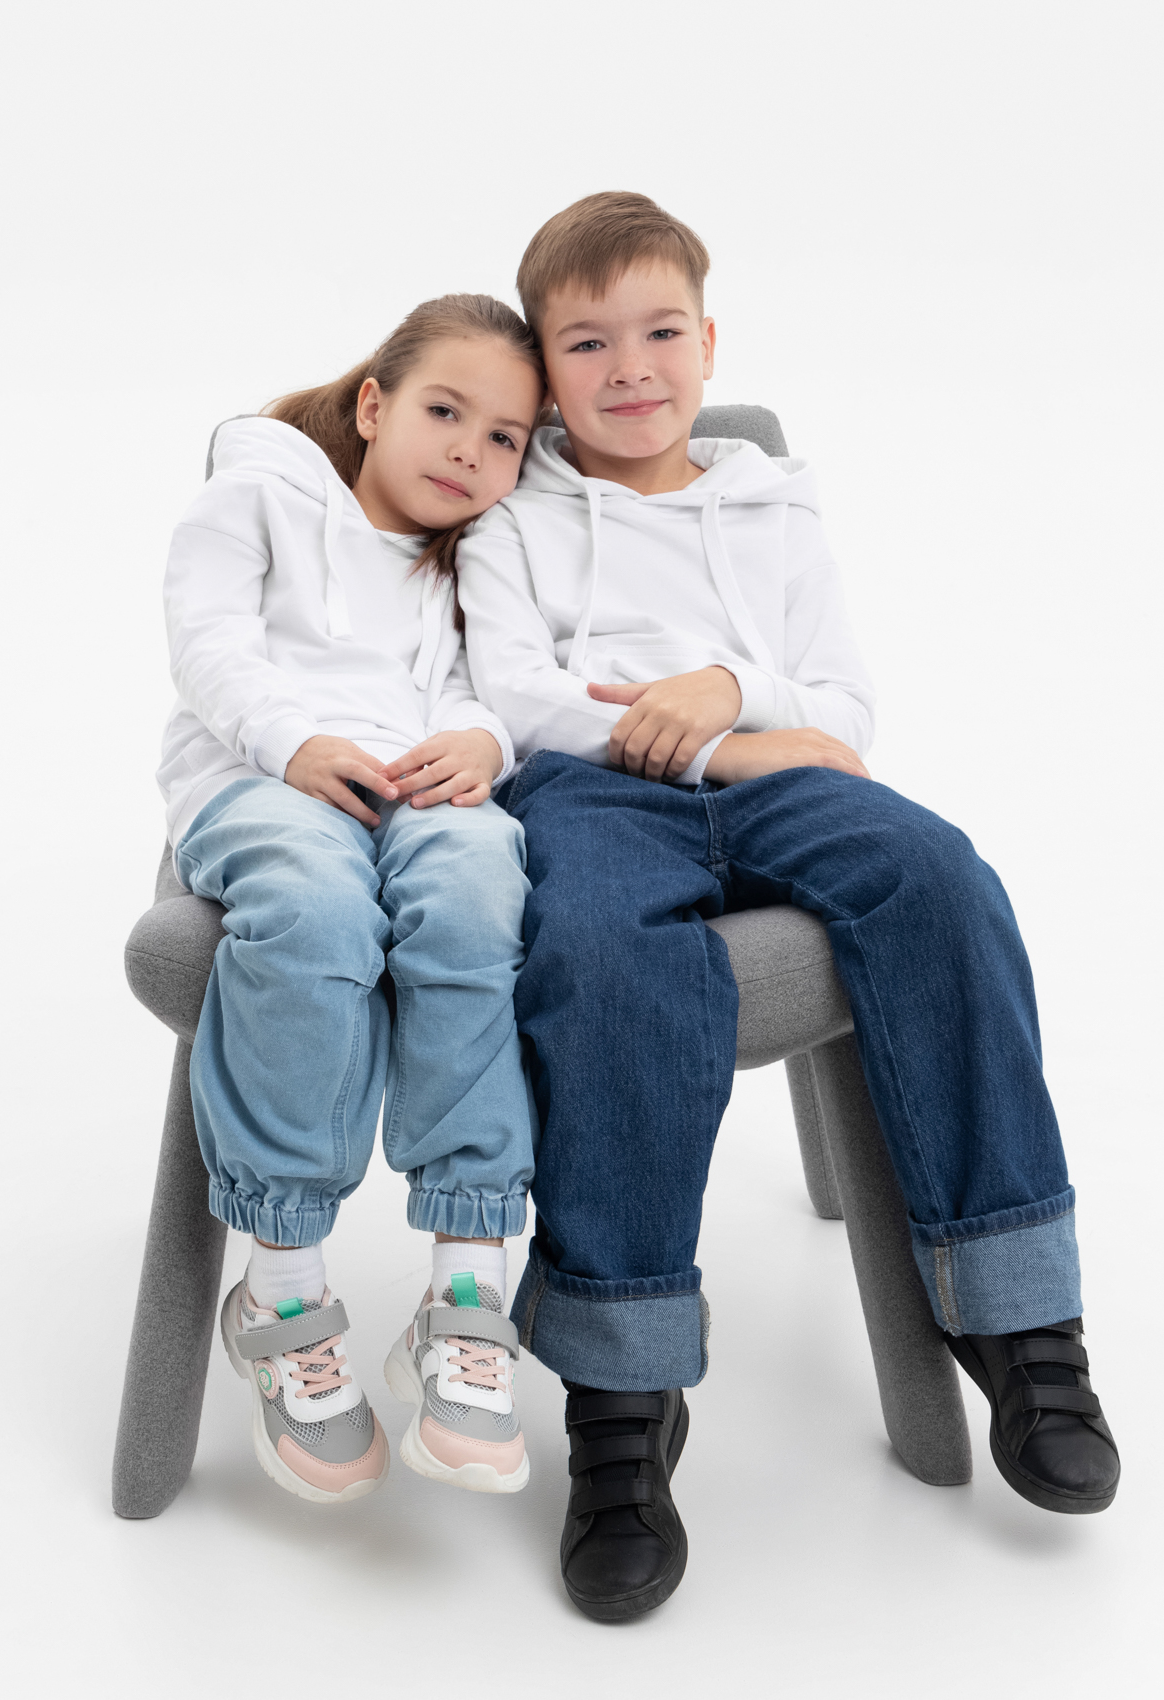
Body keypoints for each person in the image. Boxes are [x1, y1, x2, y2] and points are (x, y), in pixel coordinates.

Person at [457, 194, 1120, 1620]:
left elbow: (843, 709)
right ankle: (623, 1395)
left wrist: (732, 697)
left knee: (939, 876)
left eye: (660, 332)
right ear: (545, 371)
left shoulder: (774, 503)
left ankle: (1021, 1322)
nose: (632, 367)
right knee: (604, 957)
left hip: (775, 768)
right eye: (587, 343)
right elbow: (517, 699)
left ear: (710, 341)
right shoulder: (512, 511)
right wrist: (725, 745)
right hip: (594, 787)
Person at [159, 294, 546, 1506]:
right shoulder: (257, 491)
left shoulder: (482, 557)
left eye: (503, 437)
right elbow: (208, 644)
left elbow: (497, 683)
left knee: (482, 895)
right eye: (445, 411)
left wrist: (481, 739)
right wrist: (293, 740)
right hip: (264, 777)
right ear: (375, 405)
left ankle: (467, 1284)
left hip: (421, 784)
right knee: (318, 917)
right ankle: (280, 1286)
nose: (469, 451)